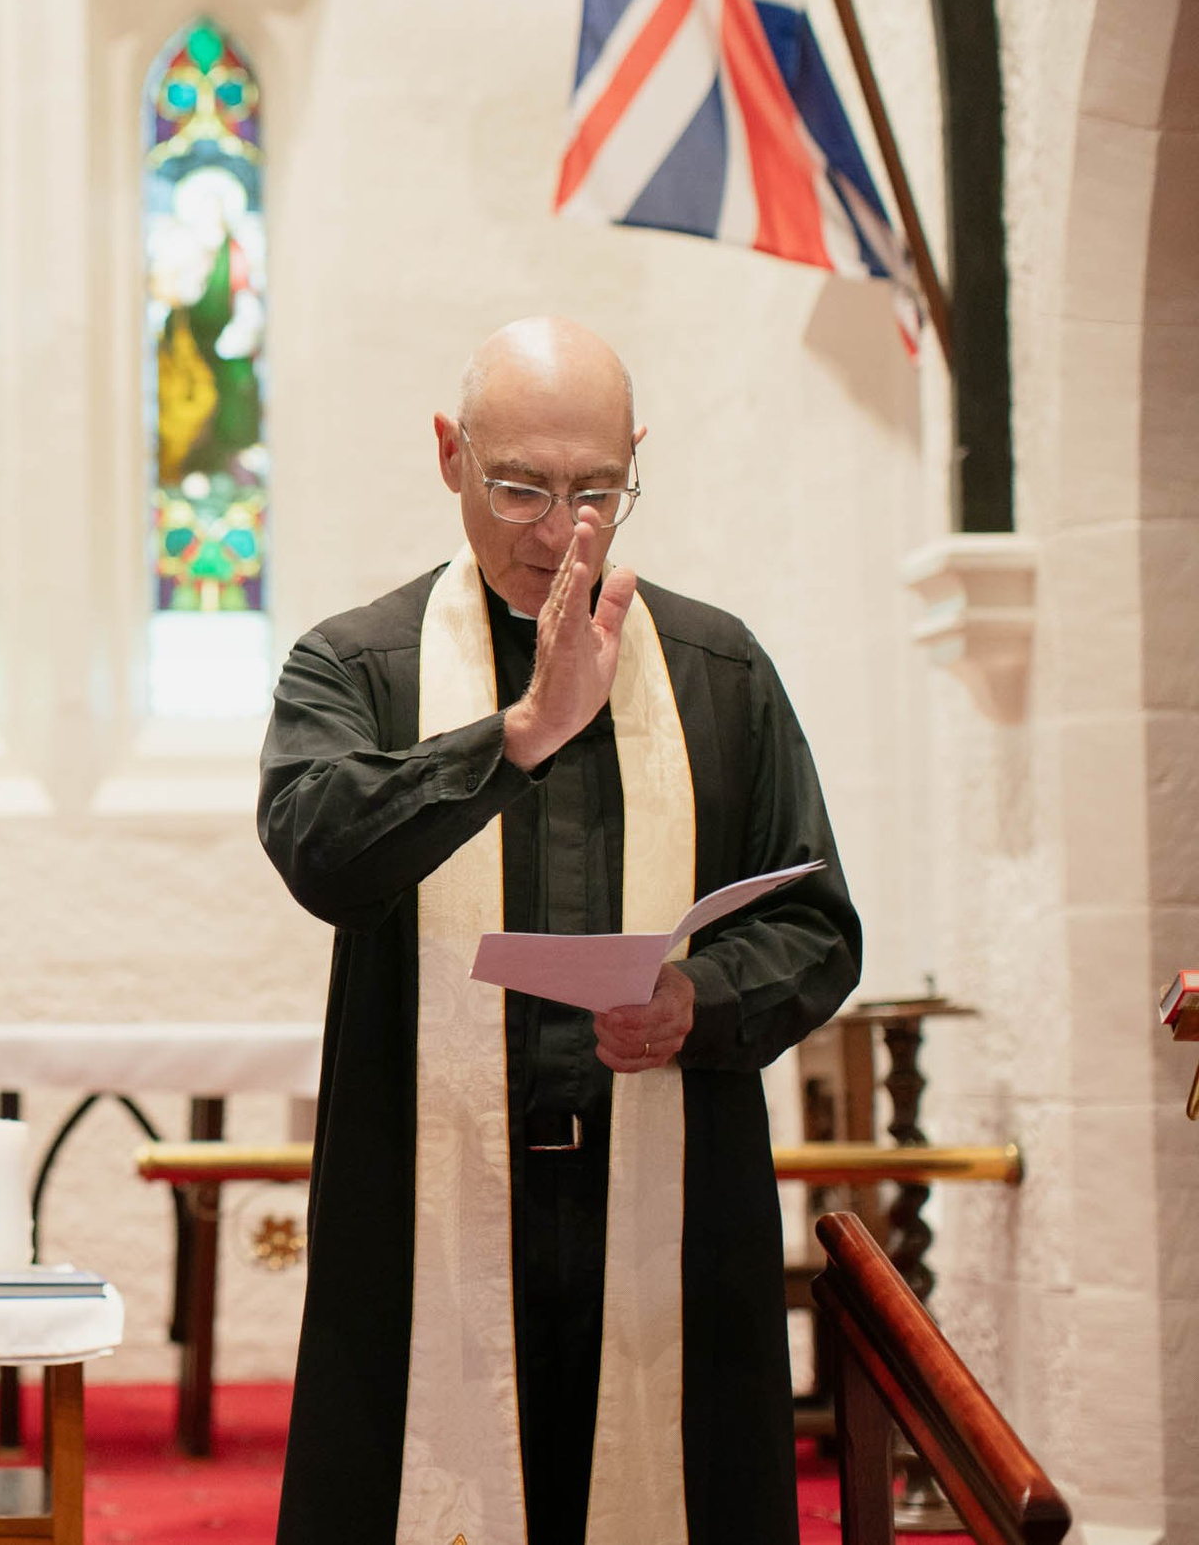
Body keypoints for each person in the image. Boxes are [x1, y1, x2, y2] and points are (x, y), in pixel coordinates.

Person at [257, 317, 860, 1545]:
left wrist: (700, 996)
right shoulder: (354, 665)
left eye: (597, 489)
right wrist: (517, 733)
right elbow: (319, 850)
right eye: (519, 485)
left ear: (635, 459)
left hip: (669, 1212)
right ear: (447, 455)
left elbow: (816, 924)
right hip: (428, 1207)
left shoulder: (717, 670)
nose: (558, 530)